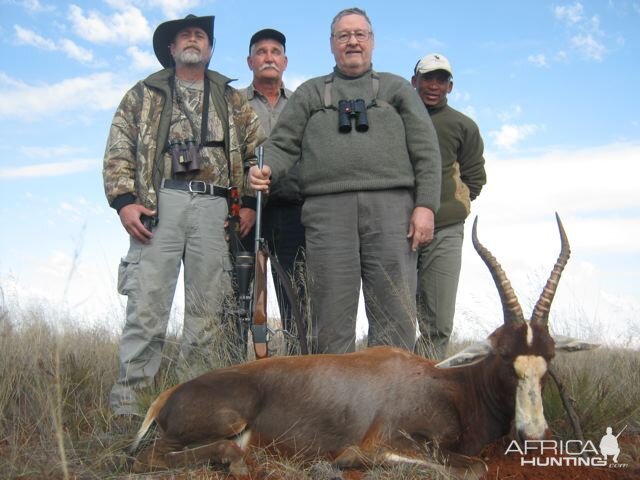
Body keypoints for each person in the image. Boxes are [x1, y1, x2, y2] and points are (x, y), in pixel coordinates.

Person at [249, 8, 441, 354]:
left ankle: (392, 401)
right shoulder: (310, 93)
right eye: (343, 35)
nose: (352, 41)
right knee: (330, 315)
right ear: (332, 44)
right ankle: (336, 405)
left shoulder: (397, 89)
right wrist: (265, 169)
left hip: (392, 210)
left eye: (360, 34)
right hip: (327, 213)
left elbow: (427, 151)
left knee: (394, 312)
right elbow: (281, 145)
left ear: (372, 41)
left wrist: (425, 205)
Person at [103, 14, 264, 418]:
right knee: (146, 309)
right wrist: (124, 201)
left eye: (201, 36)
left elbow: (254, 152)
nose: (194, 40)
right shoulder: (143, 94)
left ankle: (194, 412)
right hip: (160, 206)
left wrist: (246, 201)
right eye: (185, 36)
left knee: (207, 315)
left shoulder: (231, 98)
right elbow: (118, 147)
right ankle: (130, 410)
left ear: (209, 49)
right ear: (172, 49)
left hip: (215, 209)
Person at [411, 53, 487, 360]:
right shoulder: (396, 117)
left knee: (438, 321)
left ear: (450, 87)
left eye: (441, 80)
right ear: (414, 82)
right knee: (394, 317)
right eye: (427, 78)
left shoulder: (463, 125)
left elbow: (475, 178)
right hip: (395, 228)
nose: (433, 86)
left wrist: (449, 206)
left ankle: (425, 389)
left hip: (444, 230)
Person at [241, 28, 305, 342]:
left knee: (297, 296)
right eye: (262, 51)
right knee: (241, 296)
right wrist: (246, 204)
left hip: (293, 211)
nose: (269, 57)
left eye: (275, 51)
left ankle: (298, 369)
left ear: (285, 61)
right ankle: (235, 369)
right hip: (246, 213)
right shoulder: (234, 103)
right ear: (250, 60)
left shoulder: (302, 103)